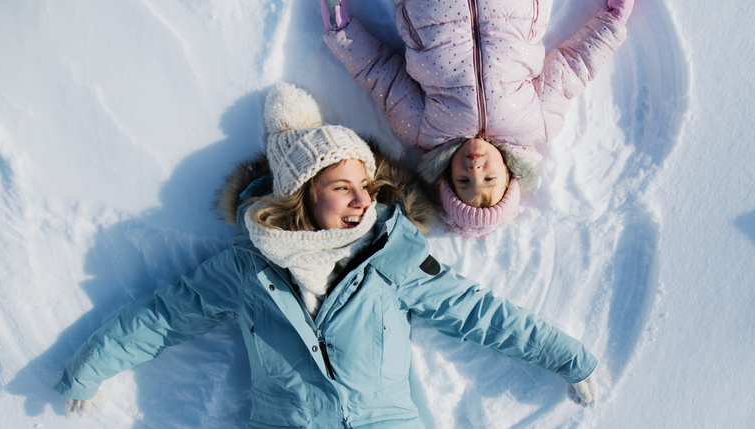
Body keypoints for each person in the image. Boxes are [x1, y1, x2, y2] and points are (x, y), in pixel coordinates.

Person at [55, 83, 600, 427]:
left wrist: (569, 358)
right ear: (302, 192)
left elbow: (481, 315)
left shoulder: (394, 257)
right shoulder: (248, 269)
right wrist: (91, 367)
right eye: (343, 188)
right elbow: (164, 316)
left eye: (366, 186)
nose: (364, 200)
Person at [319, 0, 635, 238]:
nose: (475, 169)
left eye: (464, 181)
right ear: (510, 174)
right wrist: (613, 20)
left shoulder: (423, 129)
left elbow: (381, 75)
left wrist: (342, 31)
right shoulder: (535, 124)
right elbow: (573, 67)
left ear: (445, 177)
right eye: (489, 179)